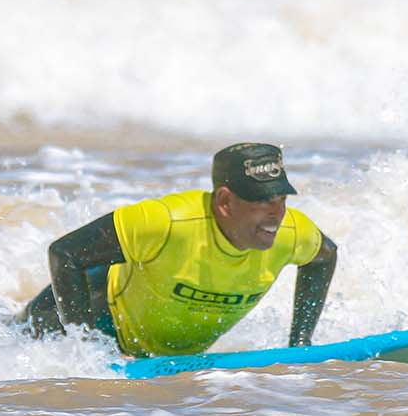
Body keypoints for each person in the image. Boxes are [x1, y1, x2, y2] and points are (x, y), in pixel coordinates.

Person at [21, 143, 338, 359]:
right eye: (262, 202)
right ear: (225, 202)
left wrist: (300, 343)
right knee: (3, 339)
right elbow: (65, 253)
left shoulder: (292, 232)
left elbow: (324, 257)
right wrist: (87, 353)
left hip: (156, 350)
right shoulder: (167, 221)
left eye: (281, 199)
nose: (276, 214)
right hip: (86, 311)